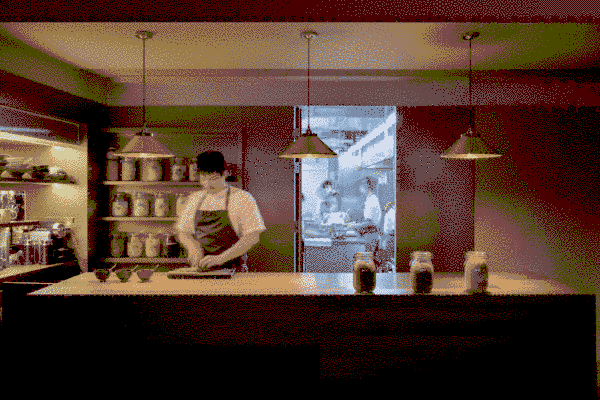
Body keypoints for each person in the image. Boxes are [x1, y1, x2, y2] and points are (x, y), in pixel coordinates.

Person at [175, 151, 266, 272]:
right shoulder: (195, 199)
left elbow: (253, 236)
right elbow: (183, 232)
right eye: (204, 178)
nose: (208, 184)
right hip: (202, 270)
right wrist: (193, 247)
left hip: (234, 271)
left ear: (225, 174)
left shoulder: (242, 198)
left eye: (213, 179)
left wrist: (221, 258)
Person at [356, 177, 382, 254]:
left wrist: (355, 226)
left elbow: (369, 222)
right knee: (370, 257)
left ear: (366, 186)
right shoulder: (370, 199)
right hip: (371, 234)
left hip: (371, 235)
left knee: (368, 257)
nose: (360, 188)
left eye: (361, 186)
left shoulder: (371, 200)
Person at [377, 200, 396, 272]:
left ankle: (390, 272)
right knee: (391, 259)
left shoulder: (390, 212)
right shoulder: (392, 213)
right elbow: (393, 228)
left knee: (390, 259)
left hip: (388, 237)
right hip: (391, 237)